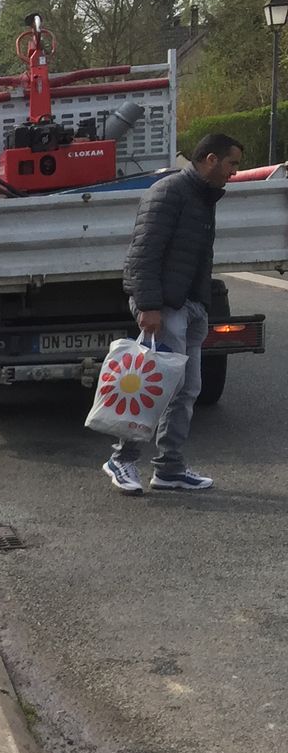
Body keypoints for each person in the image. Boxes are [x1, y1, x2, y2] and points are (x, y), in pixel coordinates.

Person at [102, 132, 244, 495]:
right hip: (164, 305)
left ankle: (169, 468)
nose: (234, 172)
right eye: (232, 164)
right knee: (157, 386)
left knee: (187, 389)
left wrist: (201, 303)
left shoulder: (203, 196)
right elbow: (143, 253)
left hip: (190, 305)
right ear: (211, 159)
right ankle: (122, 459)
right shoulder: (168, 193)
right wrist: (149, 306)